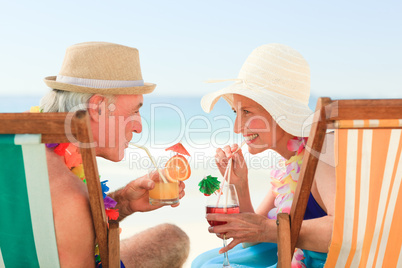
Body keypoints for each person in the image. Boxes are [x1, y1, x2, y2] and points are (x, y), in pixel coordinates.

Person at [39, 42, 190, 267]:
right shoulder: (70, 194)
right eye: (135, 111)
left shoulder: (30, 151)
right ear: (98, 107)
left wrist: (123, 203)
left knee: (171, 237)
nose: (139, 127)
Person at [192, 43, 335, 267]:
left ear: (281, 112)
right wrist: (240, 185)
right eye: (235, 112)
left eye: (247, 112)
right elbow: (254, 237)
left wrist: (265, 229)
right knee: (204, 260)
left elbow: (346, 232)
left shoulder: (323, 151)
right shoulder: (290, 163)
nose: (237, 127)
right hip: (294, 253)